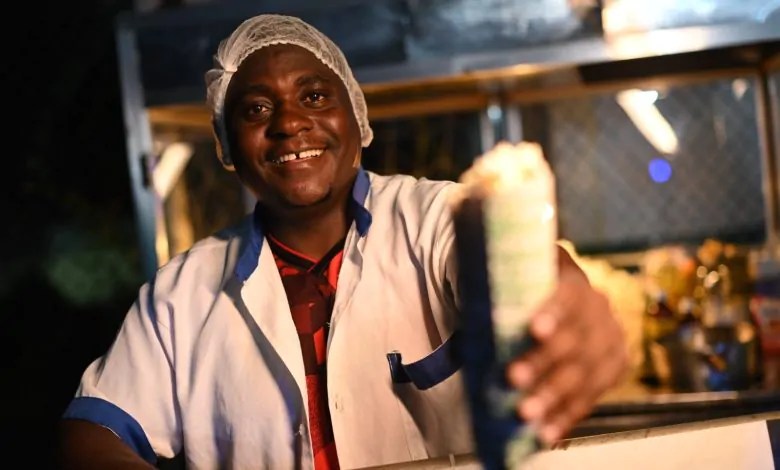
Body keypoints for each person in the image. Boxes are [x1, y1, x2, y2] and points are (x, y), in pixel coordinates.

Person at [56, 13, 628, 470]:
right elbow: (93, 432)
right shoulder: (181, 294)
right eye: (256, 109)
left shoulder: (433, 218)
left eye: (313, 97)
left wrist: (568, 311)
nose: (288, 122)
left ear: (356, 115)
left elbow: (532, 276)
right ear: (227, 144)